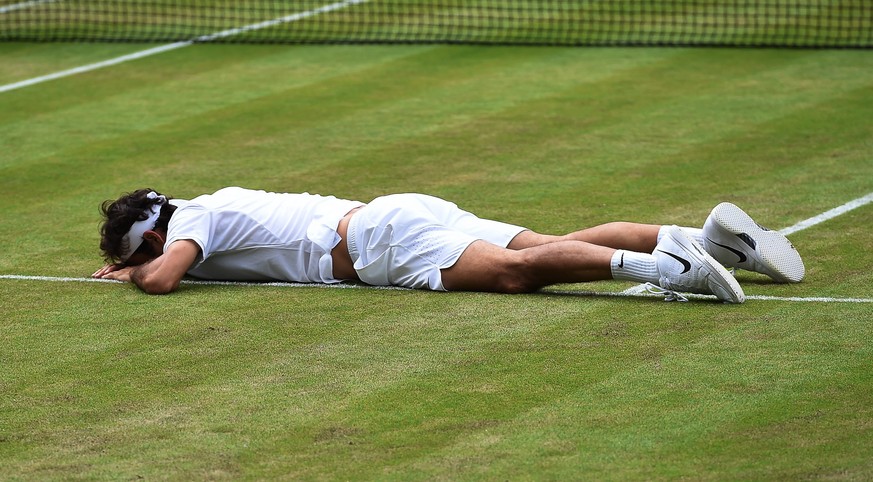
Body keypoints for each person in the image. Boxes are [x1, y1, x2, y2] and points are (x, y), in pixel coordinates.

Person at [92, 187, 805, 303]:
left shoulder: (190, 225)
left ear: (154, 234)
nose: (144, 260)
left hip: (380, 243)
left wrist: (133, 276)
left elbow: (161, 282)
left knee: (516, 275)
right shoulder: (214, 204)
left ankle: (667, 267)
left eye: (138, 249)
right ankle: (707, 239)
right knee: (552, 243)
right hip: (397, 214)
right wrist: (135, 264)